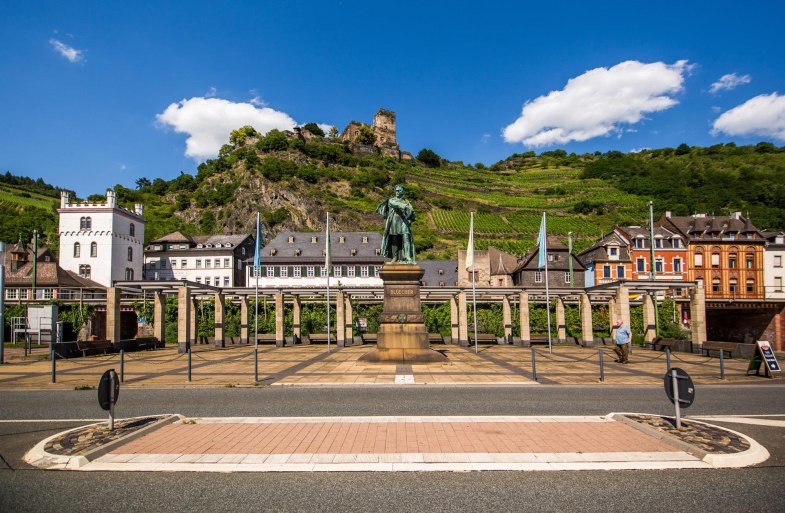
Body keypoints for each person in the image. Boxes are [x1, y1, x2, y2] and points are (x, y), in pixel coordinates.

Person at [376, 184, 416, 264]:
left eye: (399, 190)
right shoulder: (392, 200)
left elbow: (412, 215)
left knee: (406, 238)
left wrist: (410, 219)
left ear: (403, 191)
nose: (397, 192)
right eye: (396, 190)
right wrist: (405, 207)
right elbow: (396, 204)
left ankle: (408, 257)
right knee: (394, 240)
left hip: (404, 222)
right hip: (394, 222)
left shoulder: (407, 202)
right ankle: (394, 257)